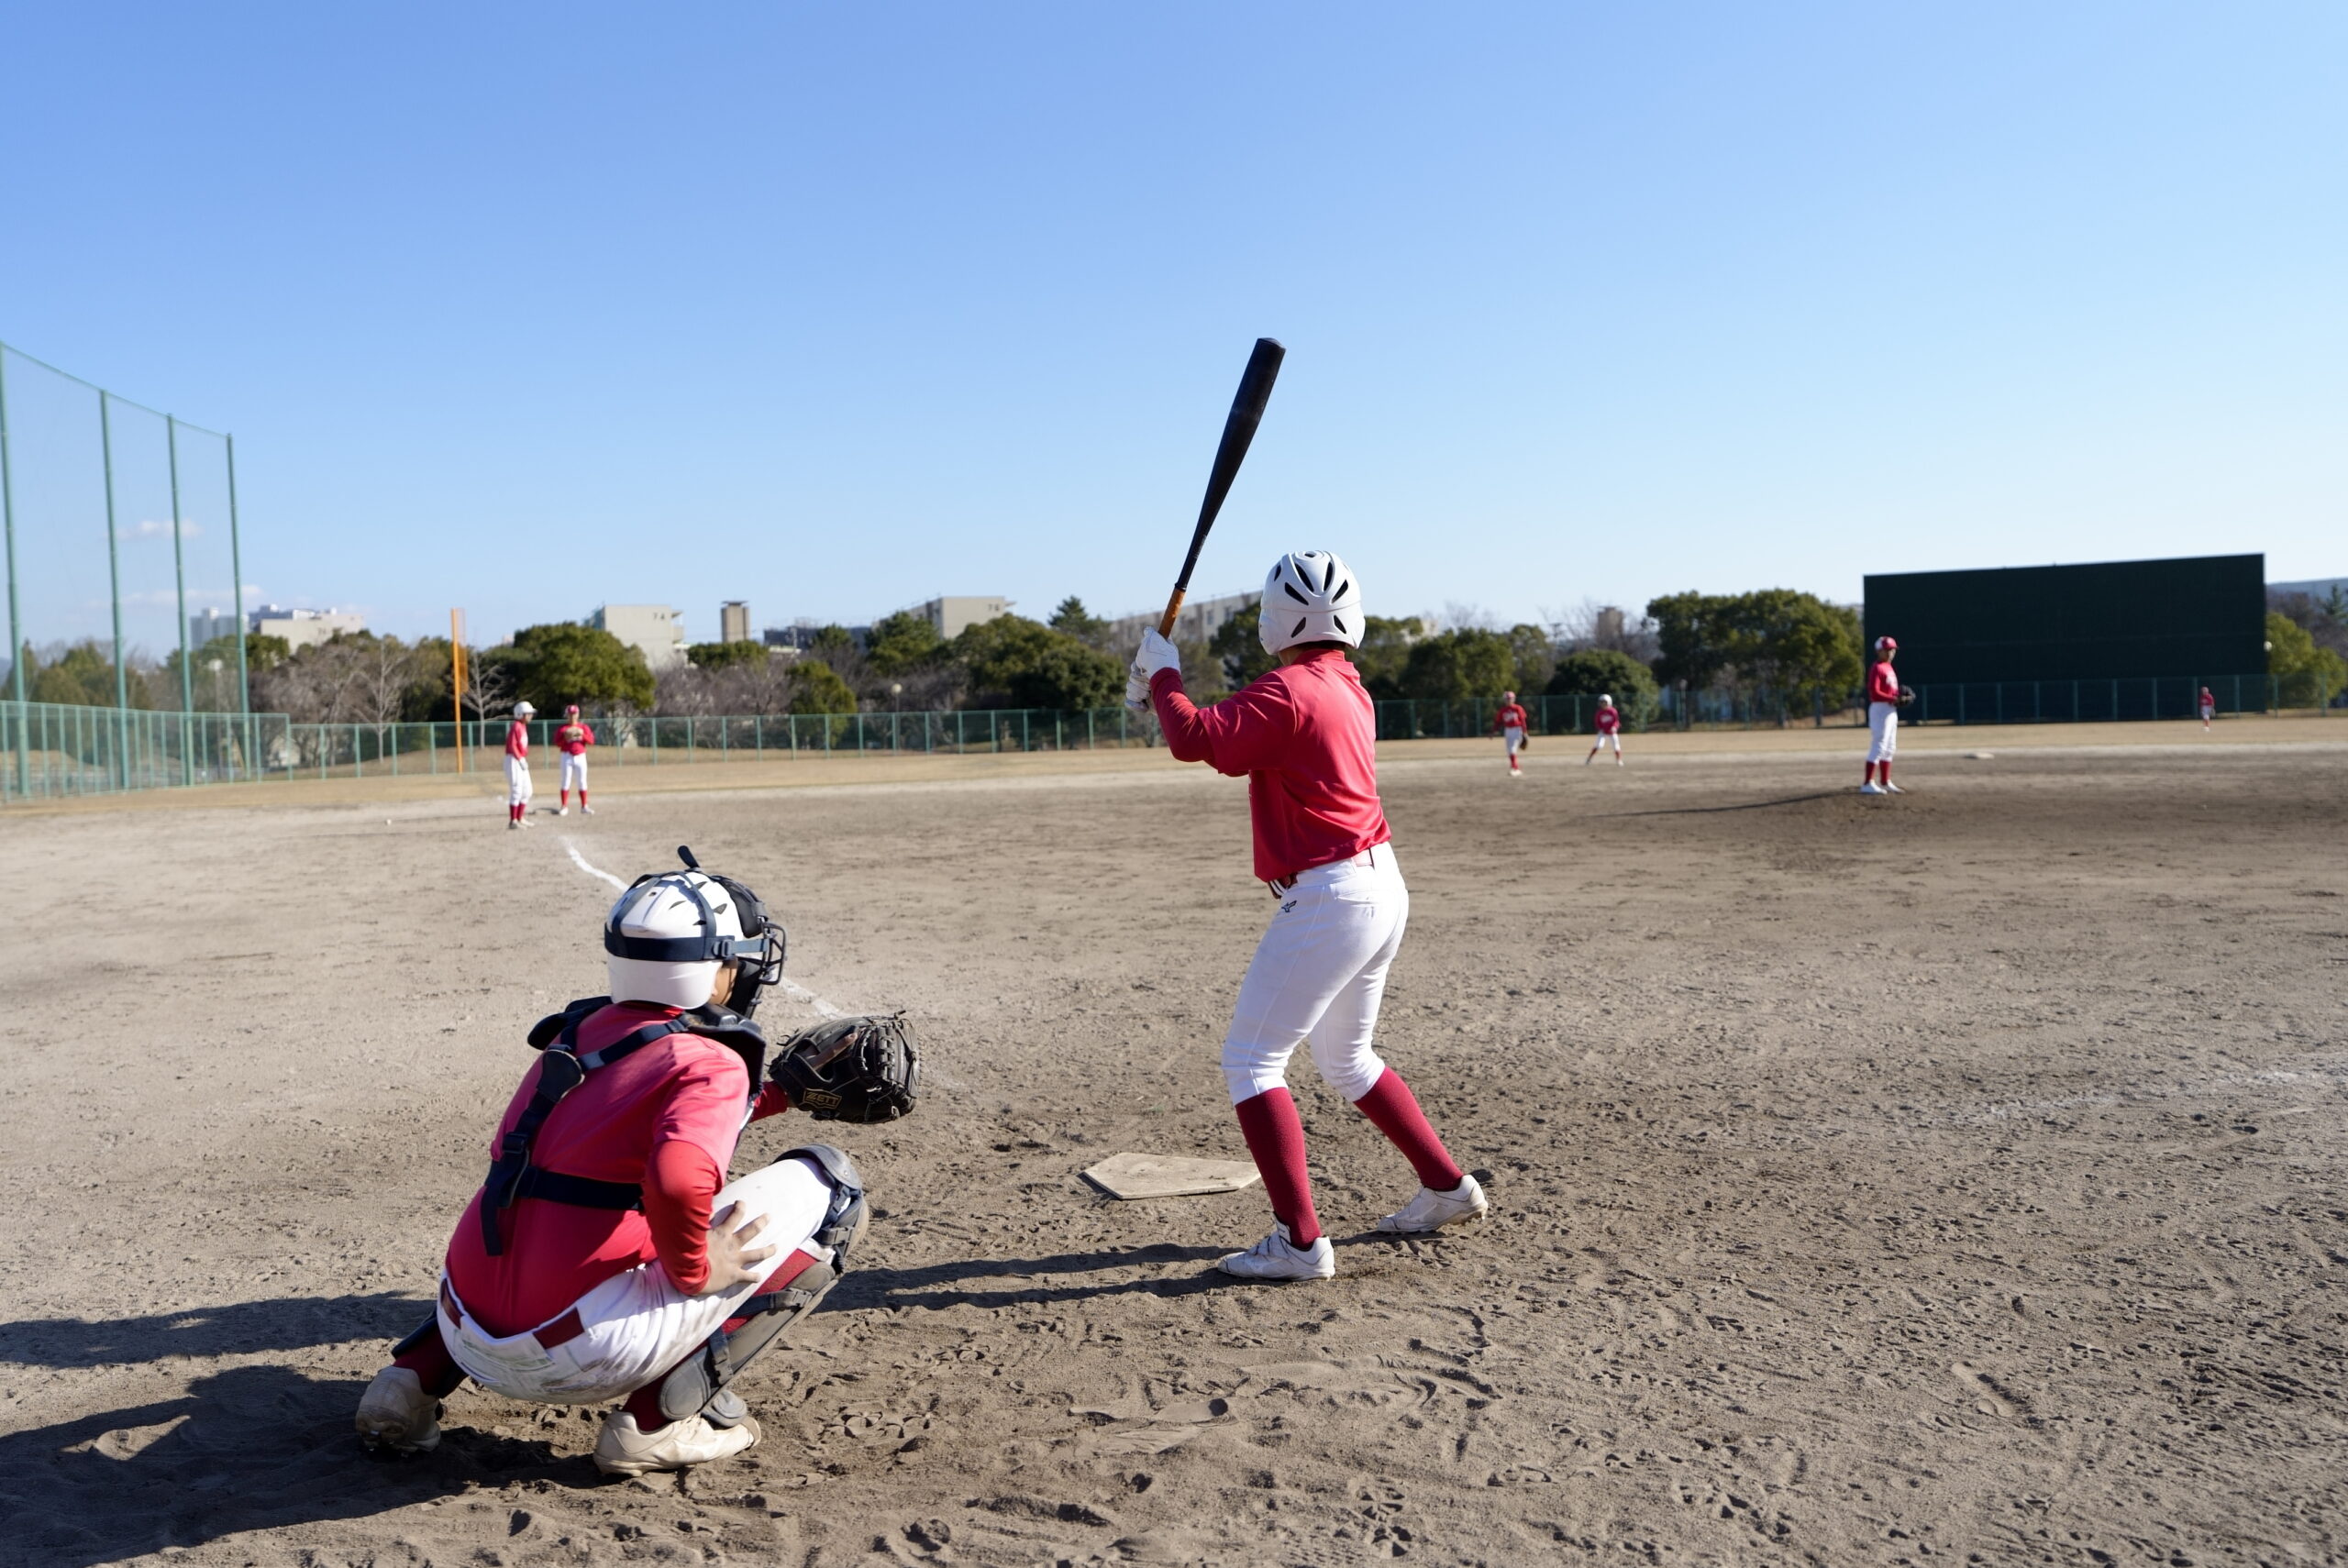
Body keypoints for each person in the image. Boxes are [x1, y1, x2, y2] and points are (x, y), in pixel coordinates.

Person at [352, 849, 918, 1474]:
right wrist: (698, 1267)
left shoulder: (576, 1035)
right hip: (584, 1354)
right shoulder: (713, 1061)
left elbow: (637, 1121)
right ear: (715, 967)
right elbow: (677, 1177)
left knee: (529, 1216)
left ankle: (408, 1383)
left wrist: (778, 1094)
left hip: (464, 1331)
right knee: (833, 1185)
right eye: (738, 959)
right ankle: (654, 1424)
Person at [1126, 549, 1488, 1283]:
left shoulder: (1287, 689)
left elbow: (1194, 739)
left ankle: (1299, 1242)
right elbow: (1230, 732)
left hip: (1332, 897)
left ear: (1275, 621)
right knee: (1347, 1059)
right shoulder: (1349, 687)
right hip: (1380, 886)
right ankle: (1447, 1187)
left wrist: (1163, 673)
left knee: (1251, 1061)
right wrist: (1157, 688)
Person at [1862, 636, 1902, 795]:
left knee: (1890, 746)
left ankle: (1885, 782)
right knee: (1879, 745)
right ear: (1879, 651)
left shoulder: (1888, 667)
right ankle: (1867, 783)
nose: (1891, 652)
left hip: (1890, 709)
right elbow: (1874, 691)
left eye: (1893, 649)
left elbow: (1890, 690)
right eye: (1888, 650)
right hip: (1880, 709)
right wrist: (1893, 698)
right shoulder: (1877, 668)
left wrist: (1898, 697)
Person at [556, 704, 596, 815]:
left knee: (582, 781)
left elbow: (591, 741)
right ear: (567, 715)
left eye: (574, 714)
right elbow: (557, 743)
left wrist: (583, 735)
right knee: (565, 781)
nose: (572, 716)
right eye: (570, 714)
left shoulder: (583, 727)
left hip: (580, 756)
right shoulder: (563, 728)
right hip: (566, 756)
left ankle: (584, 806)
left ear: (578, 715)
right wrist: (565, 738)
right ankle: (564, 806)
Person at [505, 701, 537, 829]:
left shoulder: (522, 726)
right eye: (528, 714)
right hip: (513, 759)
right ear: (520, 714)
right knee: (517, 789)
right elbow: (512, 745)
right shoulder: (516, 726)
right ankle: (513, 821)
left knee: (527, 791)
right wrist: (519, 759)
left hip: (520, 759)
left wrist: (522, 758)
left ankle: (520, 818)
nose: (530, 716)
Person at [1492, 690, 1530, 776]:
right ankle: (1515, 768)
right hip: (1508, 730)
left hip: (1517, 729)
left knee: (1512, 749)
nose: (1509, 700)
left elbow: (1523, 720)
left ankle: (1515, 768)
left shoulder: (1518, 708)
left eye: (1510, 698)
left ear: (1514, 699)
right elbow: (1497, 722)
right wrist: (1493, 732)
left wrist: (1525, 732)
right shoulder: (1503, 710)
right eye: (1507, 699)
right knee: (1509, 750)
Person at [1584, 694, 1623, 766]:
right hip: (1603, 732)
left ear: (1609, 702)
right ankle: (1589, 759)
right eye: (1601, 702)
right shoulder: (1599, 712)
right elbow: (1597, 722)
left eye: (1604, 702)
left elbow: (1616, 721)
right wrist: (1600, 728)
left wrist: (1614, 727)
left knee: (1616, 746)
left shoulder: (1612, 711)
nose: (1602, 704)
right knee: (1599, 745)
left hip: (1612, 732)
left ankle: (1619, 760)